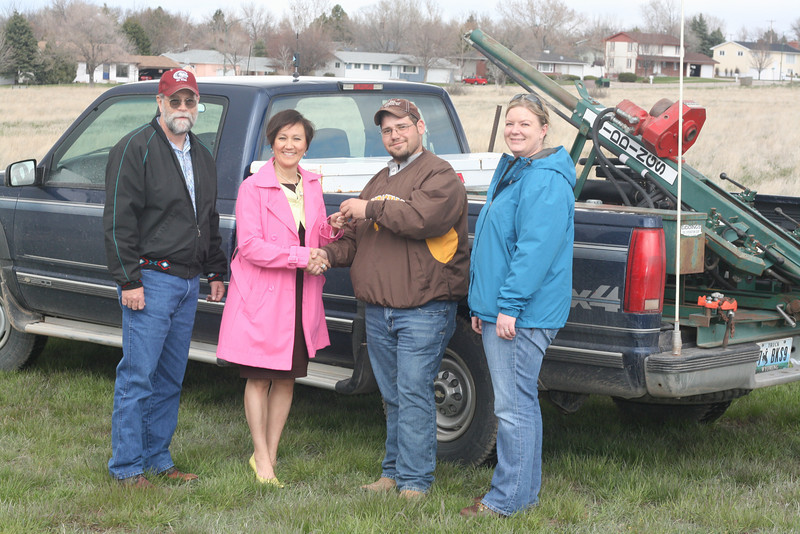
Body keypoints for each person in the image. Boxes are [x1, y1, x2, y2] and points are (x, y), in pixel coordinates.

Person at [319, 98, 469, 499]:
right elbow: (357, 241)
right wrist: (327, 252)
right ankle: (392, 475)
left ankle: (415, 482)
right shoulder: (381, 178)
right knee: (393, 395)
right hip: (380, 308)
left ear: (420, 127)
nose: (394, 135)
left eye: (402, 126)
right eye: (387, 130)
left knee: (414, 392)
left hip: (424, 308)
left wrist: (368, 207)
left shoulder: (440, 175)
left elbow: (422, 219)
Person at [103, 68, 227, 488]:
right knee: (138, 376)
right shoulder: (134, 148)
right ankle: (127, 467)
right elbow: (119, 220)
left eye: (190, 101)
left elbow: (207, 219)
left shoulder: (202, 155)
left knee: (171, 377)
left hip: (189, 282)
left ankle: (158, 458)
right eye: (175, 100)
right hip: (150, 281)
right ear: (159, 103)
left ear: (197, 106)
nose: (183, 108)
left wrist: (216, 270)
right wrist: (129, 280)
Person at [460, 93, 575, 517]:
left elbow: (533, 251)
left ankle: (506, 500)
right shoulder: (516, 169)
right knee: (520, 403)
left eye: (525, 124)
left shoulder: (543, 179)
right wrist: (483, 305)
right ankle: (522, 496)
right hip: (503, 308)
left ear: (544, 129)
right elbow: (496, 244)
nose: (515, 130)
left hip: (521, 313)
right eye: (511, 123)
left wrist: (506, 307)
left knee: (512, 407)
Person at [216, 109, 341, 487]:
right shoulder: (253, 188)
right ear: (272, 141)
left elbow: (313, 232)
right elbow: (251, 247)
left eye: (298, 139)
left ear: (306, 145)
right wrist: (303, 257)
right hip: (264, 299)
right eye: (283, 137)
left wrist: (330, 232)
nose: (290, 145)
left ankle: (266, 455)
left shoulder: (313, 183)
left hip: (301, 297)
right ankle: (262, 456)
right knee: (258, 380)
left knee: (286, 380)